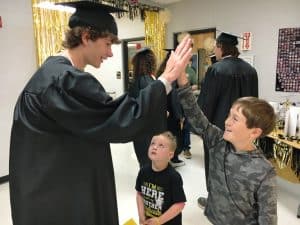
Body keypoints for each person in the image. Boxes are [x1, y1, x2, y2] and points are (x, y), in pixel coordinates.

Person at [8, 1, 192, 225]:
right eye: (107, 44)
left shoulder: (52, 74)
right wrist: (166, 79)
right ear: (86, 37)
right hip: (59, 196)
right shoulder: (64, 80)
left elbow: (102, 117)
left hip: (52, 185)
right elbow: (117, 118)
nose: (109, 53)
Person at [177, 73, 277, 225]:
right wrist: (183, 81)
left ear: (255, 132)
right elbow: (195, 115)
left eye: (235, 119)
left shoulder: (264, 171)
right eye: (229, 115)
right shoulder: (218, 140)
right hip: (215, 216)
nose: (226, 122)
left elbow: (268, 219)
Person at [196, 32, 258, 208]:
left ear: (221, 47)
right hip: (244, 131)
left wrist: (201, 129)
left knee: (216, 166)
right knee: (239, 166)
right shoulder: (251, 71)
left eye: (216, 47)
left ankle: (215, 201)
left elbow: (206, 103)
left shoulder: (216, 70)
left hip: (219, 130)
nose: (215, 50)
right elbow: (254, 103)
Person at [135, 131, 186, 225]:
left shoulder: (173, 177)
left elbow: (180, 204)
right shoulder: (143, 172)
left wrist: (160, 220)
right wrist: (141, 216)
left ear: (170, 155)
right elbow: (139, 194)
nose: (154, 147)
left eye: (161, 145)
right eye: (152, 143)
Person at [128, 47, 158, 167]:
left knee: (144, 161)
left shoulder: (138, 81)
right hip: (148, 132)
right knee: (149, 163)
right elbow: (150, 106)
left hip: (140, 131)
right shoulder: (146, 81)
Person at [157, 49, 185, 167]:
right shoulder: (173, 74)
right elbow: (174, 97)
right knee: (174, 137)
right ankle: (173, 159)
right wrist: (180, 115)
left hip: (163, 111)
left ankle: (163, 159)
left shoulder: (161, 72)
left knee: (164, 136)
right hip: (172, 112)